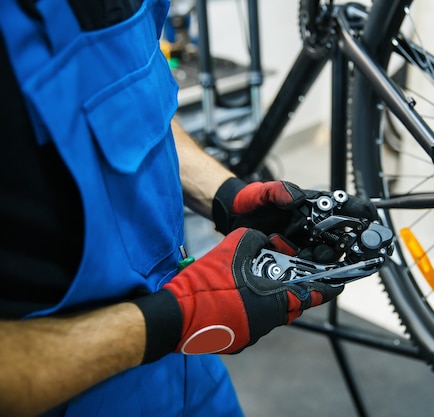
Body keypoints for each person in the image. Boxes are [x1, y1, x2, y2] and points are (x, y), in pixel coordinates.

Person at [0, 1, 378, 416]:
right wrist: (176, 317)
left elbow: (133, 99)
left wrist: (227, 195)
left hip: (186, 366)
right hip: (72, 389)